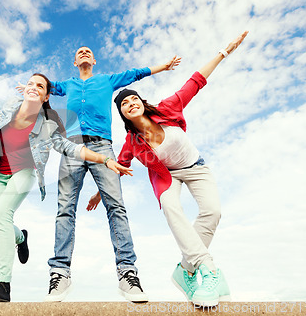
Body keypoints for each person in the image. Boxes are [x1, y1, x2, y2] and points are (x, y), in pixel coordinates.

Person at [87, 31, 248, 307]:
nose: (130, 103)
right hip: (167, 178)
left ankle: (185, 269)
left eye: (133, 99)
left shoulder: (167, 108)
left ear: (141, 101)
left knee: (213, 212)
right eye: (124, 104)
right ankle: (207, 269)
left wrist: (224, 52)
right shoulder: (132, 143)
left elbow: (195, 82)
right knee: (172, 208)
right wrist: (99, 193)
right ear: (123, 114)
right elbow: (120, 166)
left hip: (195, 167)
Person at [0, 73, 132, 303]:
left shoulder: (48, 123)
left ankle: (2, 285)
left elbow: (69, 147)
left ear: (46, 96)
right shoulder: (10, 104)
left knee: (2, 217)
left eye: (39, 86)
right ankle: (21, 238)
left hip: (23, 173)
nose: (33, 87)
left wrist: (103, 159)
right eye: (30, 84)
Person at [40, 47, 181, 302]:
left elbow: (135, 74)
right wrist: (32, 87)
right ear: (75, 61)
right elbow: (44, 86)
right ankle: (60, 273)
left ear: (93, 60)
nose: (84, 53)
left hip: (102, 145)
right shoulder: (67, 85)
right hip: (72, 148)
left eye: (88, 52)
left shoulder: (106, 80)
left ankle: (128, 274)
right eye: (79, 52)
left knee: (116, 207)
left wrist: (163, 66)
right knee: (64, 209)